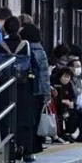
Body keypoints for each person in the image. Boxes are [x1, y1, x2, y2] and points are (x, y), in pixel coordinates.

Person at [4, 17, 38, 162]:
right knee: (25, 120)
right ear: (19, 29)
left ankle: (10, 152)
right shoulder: (25, 45)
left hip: (5, 88)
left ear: (5, 29)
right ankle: (27, 153)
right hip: (24, 88)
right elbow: (34, 65)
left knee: (7, 120)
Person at [21, 23, 52, 153]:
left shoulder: (24, 49)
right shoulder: (41, 51)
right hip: (39, 90)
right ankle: (36, 145)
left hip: (25, 90)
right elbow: (44, 75)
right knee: (36, 120)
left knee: (25, 119)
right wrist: (47, 93)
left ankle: (25, 146)